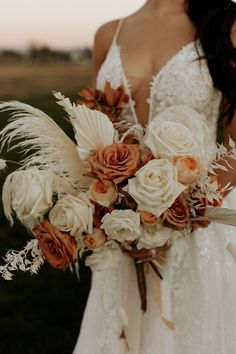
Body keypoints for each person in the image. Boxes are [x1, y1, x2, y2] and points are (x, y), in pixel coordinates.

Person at [73, 1, 236, 353]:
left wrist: (181, 217)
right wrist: (113, 210)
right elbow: (95, 133)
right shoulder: (108, 33)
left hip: (198, 228)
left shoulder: (226, 25)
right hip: (121, 232)